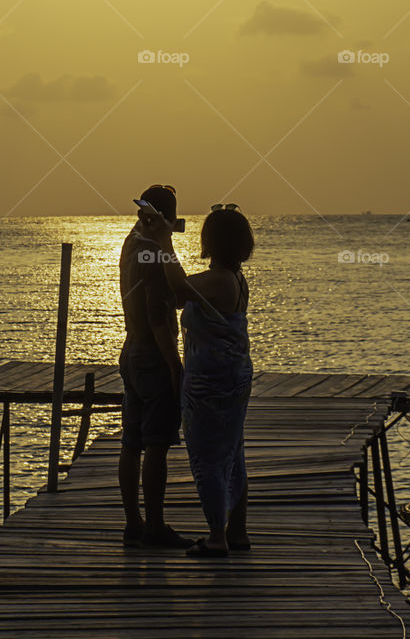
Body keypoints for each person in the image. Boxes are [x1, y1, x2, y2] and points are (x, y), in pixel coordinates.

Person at [141, 201, 254, 557]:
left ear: (212, 243)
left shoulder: (219, 280)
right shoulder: (234, 278)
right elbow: (180, 295)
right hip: (234, 376)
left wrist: (163, 239)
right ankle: (236, 531)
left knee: (207, 458)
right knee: (233, 453)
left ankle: (217, 536)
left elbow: (177, 285)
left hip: (212, 382)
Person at [117, 184, 194, 549]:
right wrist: (174, 365)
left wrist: (162, 238)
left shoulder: (132, 244)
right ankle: (155, 525)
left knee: (131, 443)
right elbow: (162, 312)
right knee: (156, 445)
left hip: (130, 349)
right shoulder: (153, 253)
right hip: (151, 352)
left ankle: (134, 522)